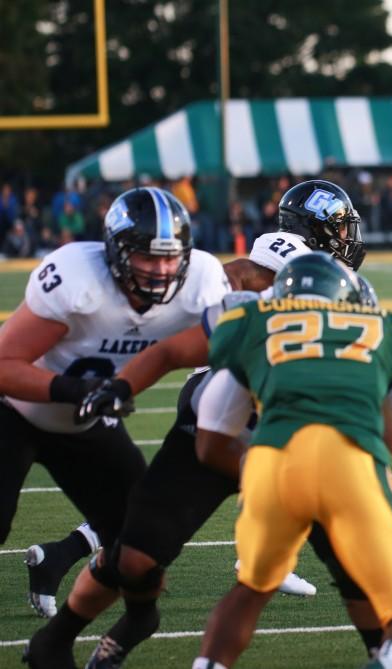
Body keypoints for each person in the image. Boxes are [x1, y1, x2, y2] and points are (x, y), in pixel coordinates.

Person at [22, 180, 371, 664]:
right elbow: (209, 308)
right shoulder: (275, 262)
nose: (347, 234)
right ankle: (70, 624)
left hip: (286, 414)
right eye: (337, 224)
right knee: (141, 542)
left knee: (353, 554)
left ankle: (278, 564)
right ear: (312, 229)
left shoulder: (338, 281)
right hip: (221, 402)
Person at [0, 187, 230, 669]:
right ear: (117, 252)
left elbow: (218, 334)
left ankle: (105, 625)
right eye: (147, 256)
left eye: (171, 258)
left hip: (88, 420)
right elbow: (3, 363)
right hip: (16, 410)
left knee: (140, 544)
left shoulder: (204, 282)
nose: (161, 270)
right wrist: (71, 391)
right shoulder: (78, 279)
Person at [193, 252, 392, 669]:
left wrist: (255, 470)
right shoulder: (386, 328)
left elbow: (209, 437)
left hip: (272, 462)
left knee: (251, 588)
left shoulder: (252, 323)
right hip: (350, 465)